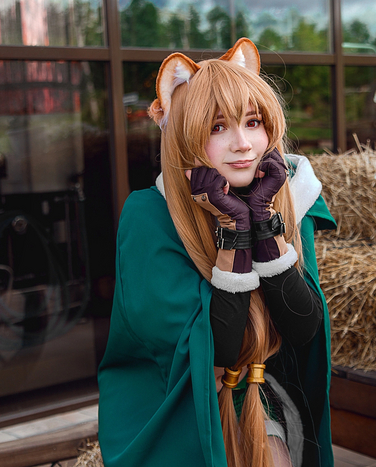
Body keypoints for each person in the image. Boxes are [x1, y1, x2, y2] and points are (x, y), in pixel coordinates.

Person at [97, 38, 336, 467]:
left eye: (253, 122)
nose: (243, 144)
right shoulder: (150, 216)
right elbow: (214, 351)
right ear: (183, 136)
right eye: (217, 128)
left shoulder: (287, 196)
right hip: (182, 412)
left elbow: (303, 329)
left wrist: (262, 221)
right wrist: (234, 230)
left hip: (264, 395)